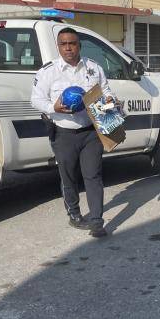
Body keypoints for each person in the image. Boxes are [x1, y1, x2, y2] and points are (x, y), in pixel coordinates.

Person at [30, 27, 113, 237]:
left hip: (90, 132)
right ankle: (74, 214)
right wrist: (53, 107)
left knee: (93, 175)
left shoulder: (94, 68)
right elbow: (36, 99)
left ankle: (97, 221)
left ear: (79, 45)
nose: (68, 48)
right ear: (58, 47)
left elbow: (105, 90)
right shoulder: (48, 72)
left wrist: (110, 101)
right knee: (68, 177)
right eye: (64, 44)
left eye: (72, 43)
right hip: (63, 133)